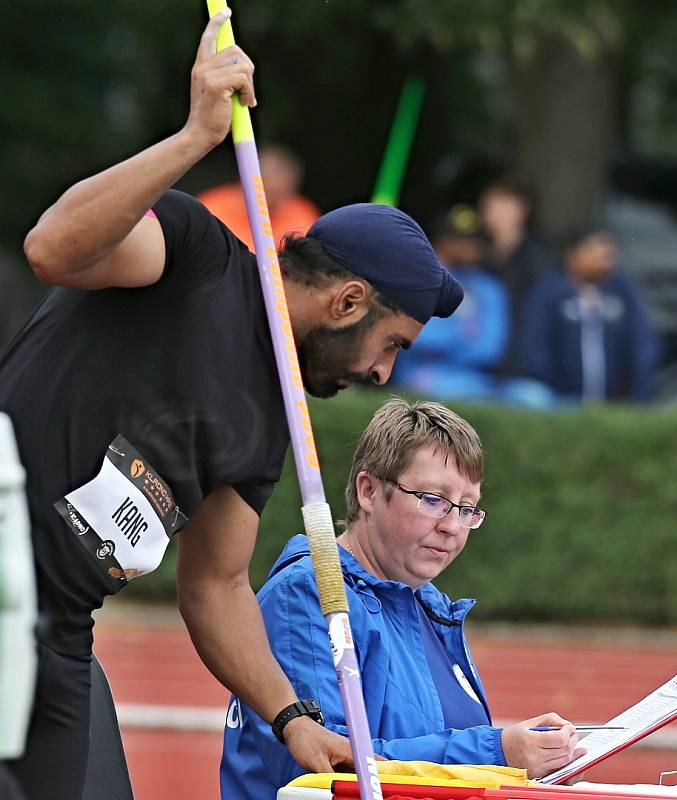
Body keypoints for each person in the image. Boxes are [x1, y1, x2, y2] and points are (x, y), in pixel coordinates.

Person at [0, 11, 463, 800]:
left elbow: (213, 584)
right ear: (349, 301)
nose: (386, 374)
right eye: (394, 344)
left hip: (59, 633)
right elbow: (53, 248)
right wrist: (191, 138)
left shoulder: (274, 415)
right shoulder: (194, 258)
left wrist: (293, 716)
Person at [220, 398, 585, 800]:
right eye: (433, 500)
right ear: (369, 491)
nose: (452, 527)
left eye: (467, 509)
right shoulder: (308, 595)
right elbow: (322, 771)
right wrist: (497, 754)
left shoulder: (429, 607)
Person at [519, 224, 660, 403]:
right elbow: (534, 348)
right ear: (572, 255)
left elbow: (643, 346)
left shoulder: (623, 292)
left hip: (612, 402)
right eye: (595, 247)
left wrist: (635, 394)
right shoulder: (550, 292)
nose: (604, 254)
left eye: (608, 249)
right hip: (558, 399)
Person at [391, 206, 510, 402]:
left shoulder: (489, 286)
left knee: (529, 396)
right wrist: (464, 334)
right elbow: (411, 338)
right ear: (442, 240)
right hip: (420, 374)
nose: (471, 246)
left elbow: (491, 348)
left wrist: (447, 340)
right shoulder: (416, 278)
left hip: (475, 378)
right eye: (461, 240)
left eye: (475, 240)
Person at [477, 177, 556, 377]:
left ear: (521, 210)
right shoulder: (477, 252)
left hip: (522, 363)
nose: (489, 211)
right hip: (483, 357)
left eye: (499, 204)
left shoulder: (538, 258)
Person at [197, 143, 320, 250]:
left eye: (286, 187)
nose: (279, 189)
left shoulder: (303, 213)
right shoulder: (212, 208)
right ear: (247, 179)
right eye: (272, 183)